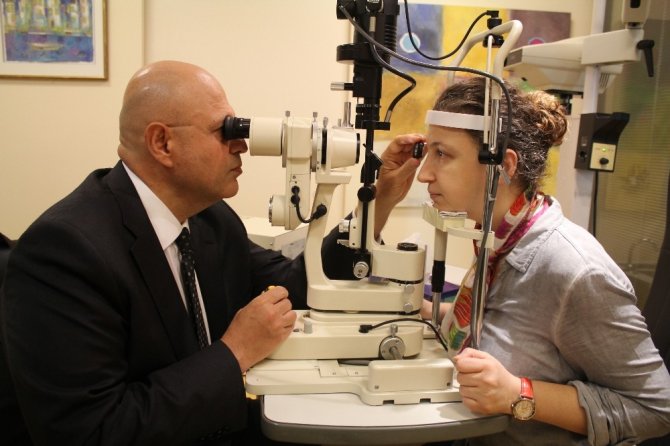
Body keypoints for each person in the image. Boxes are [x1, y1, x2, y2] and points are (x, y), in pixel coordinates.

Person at [0, 60, 422, 446]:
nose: (242, 146)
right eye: (225, 131)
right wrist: (234, 352)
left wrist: (379, 199)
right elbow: (93, 431)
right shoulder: (66, 252)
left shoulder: (209, 219)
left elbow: (294, 284)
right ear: (162, 143)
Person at [417, 76, 670, 445]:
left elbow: (655, 410)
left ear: (504, 165)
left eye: (442, 154)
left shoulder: (575, 271)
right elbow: (506, 328)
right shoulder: (498, 239)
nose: (424, 173)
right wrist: (425, 309)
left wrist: (518, 394)